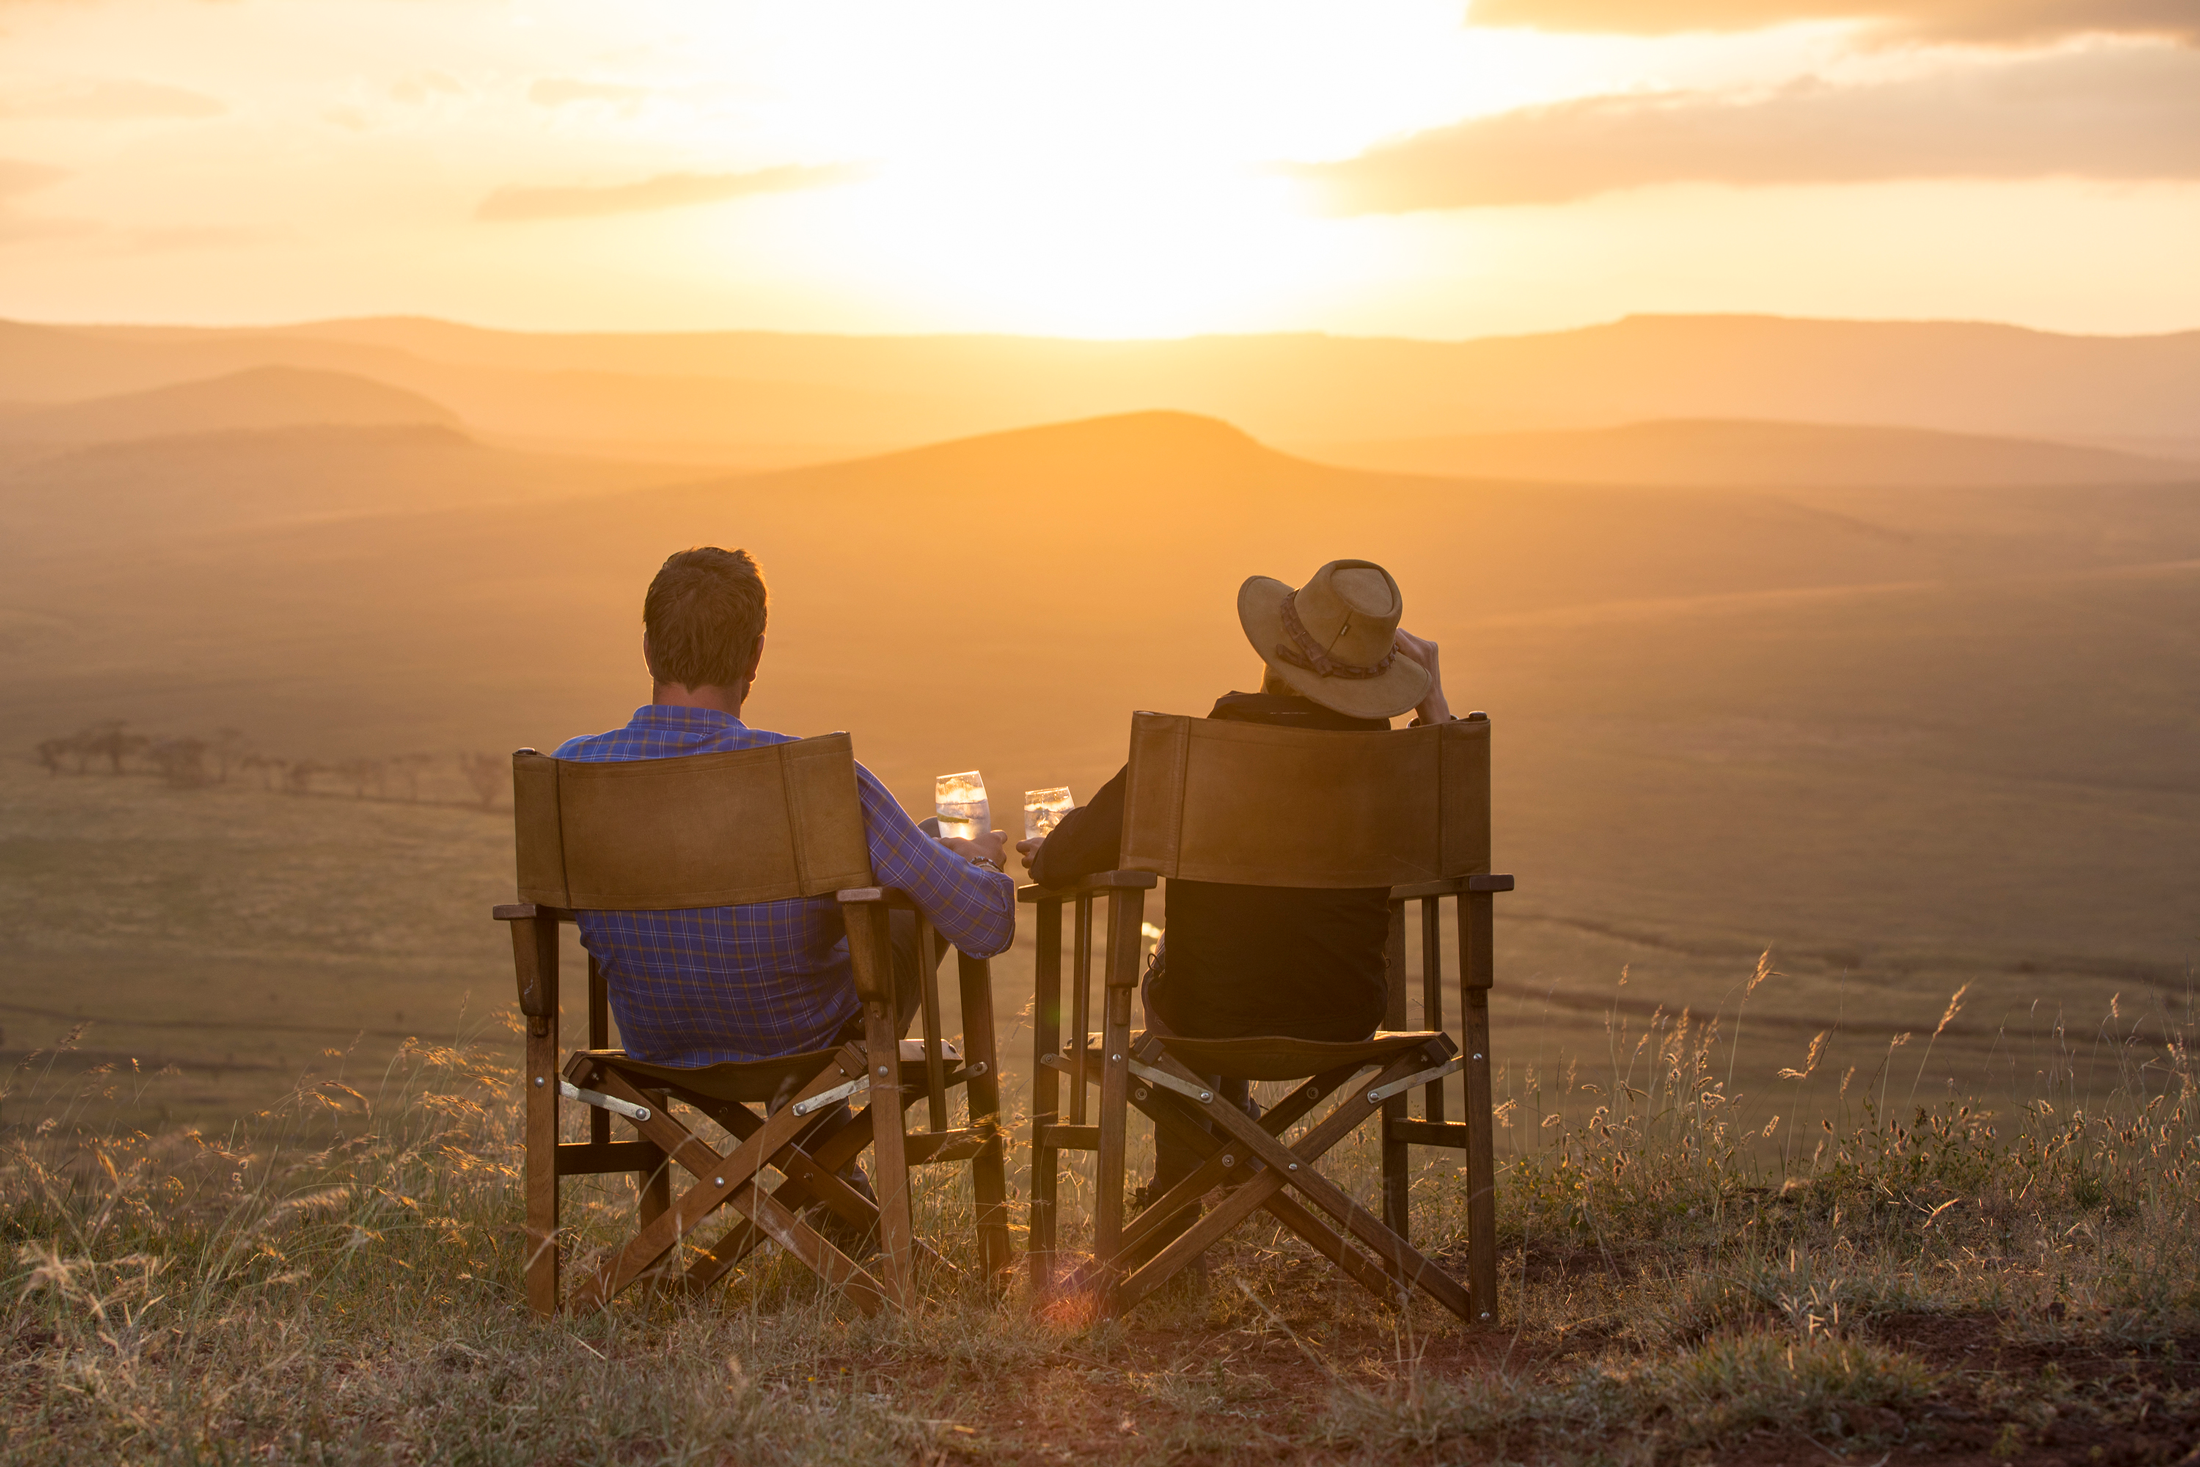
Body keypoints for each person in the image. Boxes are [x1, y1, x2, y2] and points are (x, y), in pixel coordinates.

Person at [1018, 558, 1456, 1238]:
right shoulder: (1390, 772)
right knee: (1218, 971)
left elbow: (1064, 861)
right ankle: (1202, 1178)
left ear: (1272, 650)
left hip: (1205, 1016)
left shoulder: (1198, 750)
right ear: (1378, 679)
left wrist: (1047, 852)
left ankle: (1176, 1205)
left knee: (1190, 973)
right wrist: (1435, 711)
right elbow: (1458, 849)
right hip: (1344, 1016)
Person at [553, 546, 1017, 1070]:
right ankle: (818, 1140)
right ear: (755, 655)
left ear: (646, 649)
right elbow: (986, 925)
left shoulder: (573, 771)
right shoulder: (815, 779)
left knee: (927, 840)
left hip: (655, 1044)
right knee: (931, 848)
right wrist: (977, 858)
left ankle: (816, 1149)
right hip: (810, 1046)